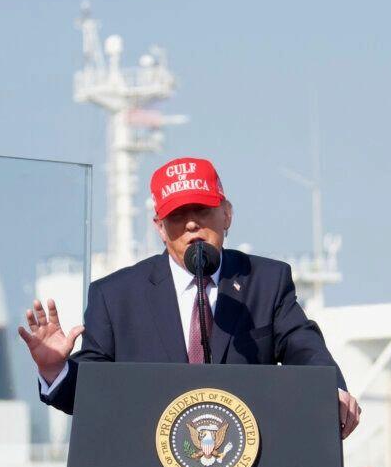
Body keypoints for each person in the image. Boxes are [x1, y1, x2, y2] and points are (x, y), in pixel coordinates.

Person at [18, 157, 361, 439]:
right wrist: (54, 368)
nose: (192, 225)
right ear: (159, 227)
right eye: (178, 216)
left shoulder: (266, 282)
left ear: (227, 214)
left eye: (202, 210)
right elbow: (93, 389)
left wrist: (328, 390)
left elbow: (303, 345)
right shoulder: (116, 296)